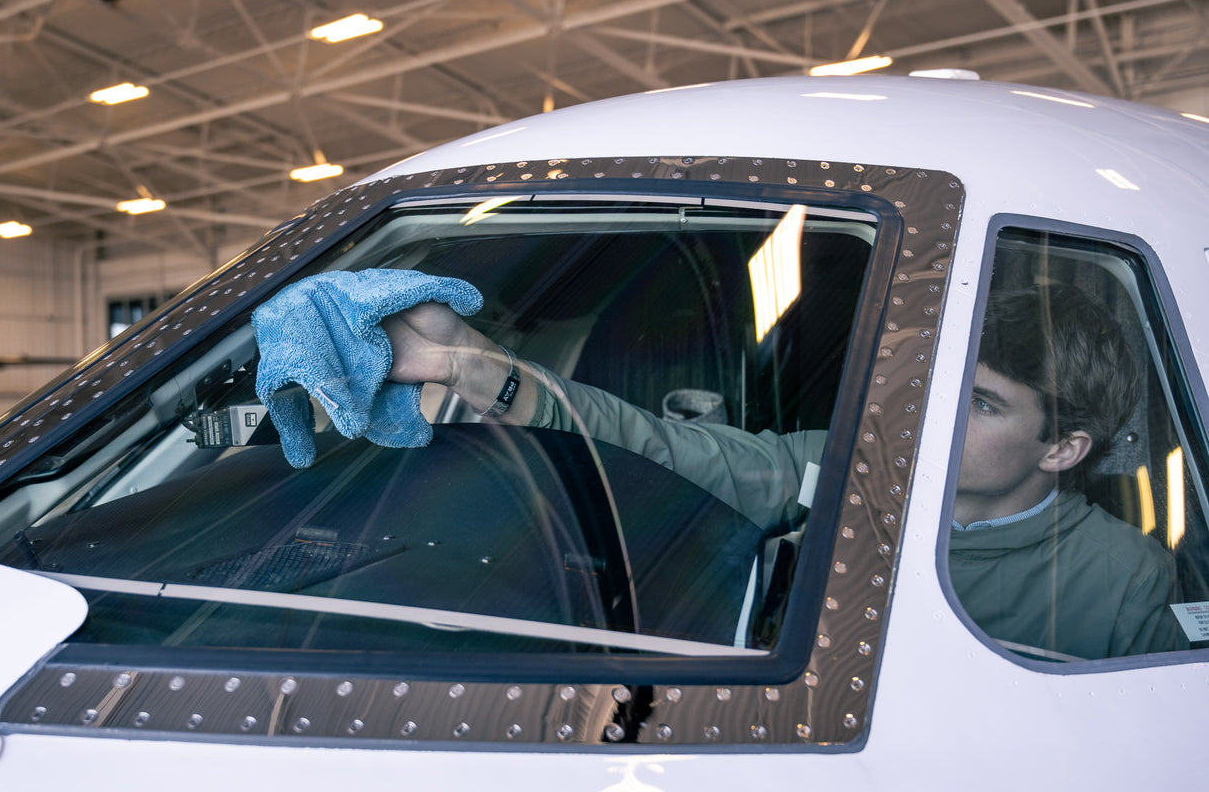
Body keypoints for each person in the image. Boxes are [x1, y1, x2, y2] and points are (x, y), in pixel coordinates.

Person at [382, 282, 1186, 661]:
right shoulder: (838, 467)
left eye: (979, 404)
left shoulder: (1128, 581)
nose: (935, 417)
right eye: (939, 388)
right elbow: (660, 447)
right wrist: (482, 369)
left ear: (1062, 449)